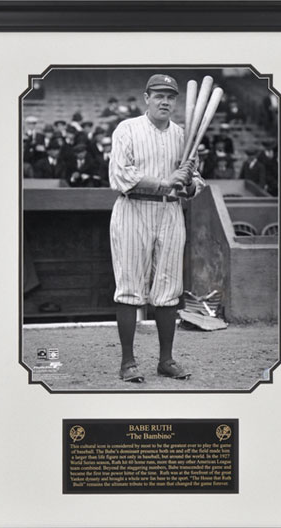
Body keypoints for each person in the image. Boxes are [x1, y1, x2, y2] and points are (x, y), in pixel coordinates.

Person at [109, 73, 205, 383]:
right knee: (129, 286)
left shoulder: (183, 135)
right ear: (146, 97)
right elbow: (121, 176)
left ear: (176, 102)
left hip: (171, 212)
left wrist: (188, 184)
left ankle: (166, 360)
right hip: (133, 208)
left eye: (170, 96)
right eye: (158, 95)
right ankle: (127, 362)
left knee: (168, 288)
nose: (165, 100)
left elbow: (197, 181)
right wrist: (166, 182)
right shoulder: (128, 129)